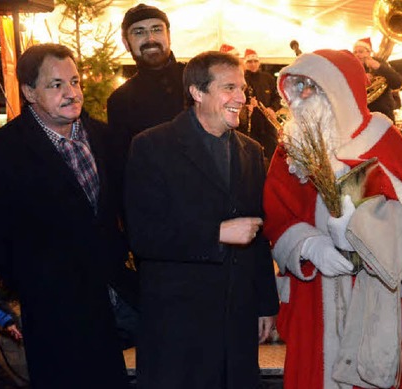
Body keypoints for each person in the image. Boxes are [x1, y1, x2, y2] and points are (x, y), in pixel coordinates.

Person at [263, 49, 402, 389]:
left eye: (312, 86)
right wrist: (309, 245)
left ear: (341, 91)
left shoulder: (388, 144)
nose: (302, 96)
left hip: (374, 296)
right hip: (312, 295)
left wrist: (362, 237)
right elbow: (276, 210)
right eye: (296, 86)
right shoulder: (291, 146)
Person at [0, 43, 129, 389]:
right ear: (29, 92)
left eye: (75, 81)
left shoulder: (104, 138)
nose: (72, 93)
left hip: (111, 302)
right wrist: (33, 281)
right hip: (52, 309)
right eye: (57, 85)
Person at [125, 50, 279, 389]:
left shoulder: (251, 151)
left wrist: (266, 304)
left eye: (241, 88)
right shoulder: (152, 146)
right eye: (229, 88)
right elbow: (144, 235)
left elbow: (259, 236)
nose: (241, 97)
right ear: (197, 92)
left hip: (236, 322)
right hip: (179, 325)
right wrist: (217, 233)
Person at [107, 3, 186, 208]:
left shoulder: (198, 79)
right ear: (126, 42)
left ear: (169, 35)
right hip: (158, 211)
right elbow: (124, 172)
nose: (150, 39)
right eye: (139, 32)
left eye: (156, 29)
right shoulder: (120, 101)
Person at [242, 48, 282, 162]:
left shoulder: (267, 78)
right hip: (251, 127)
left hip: (268, 124)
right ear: (245, 63)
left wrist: (272, 108)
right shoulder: (242, 79)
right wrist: (248, 104)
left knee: (273, 154)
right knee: (253, 156)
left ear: (259, 62)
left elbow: (277, 97)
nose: (253, 64)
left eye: (255, 61)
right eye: (249, 62)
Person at [352, 37, 402, 122]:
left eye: (361, 52)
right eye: (355, 52)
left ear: (368, 53)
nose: (357, 55)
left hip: (383, 115)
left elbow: (398, 83)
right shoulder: (352, 69)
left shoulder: (379, 63)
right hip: (362, 116)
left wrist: (379, 67)